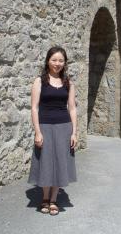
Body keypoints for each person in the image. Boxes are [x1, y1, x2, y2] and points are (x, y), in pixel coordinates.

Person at [27, 46, 77, 216]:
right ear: (48, 61)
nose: (57, 63)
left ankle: (54, 199)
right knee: (46, 161)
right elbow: (34, 108)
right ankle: (45, 198)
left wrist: (74, 132)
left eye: (61, 60)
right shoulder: (39, 81)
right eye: (54, 60)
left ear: (65, 63)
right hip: (45, 127)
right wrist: (37, 132)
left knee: (61, 162)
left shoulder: (68, 83)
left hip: (64, 127)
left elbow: (72, 109)